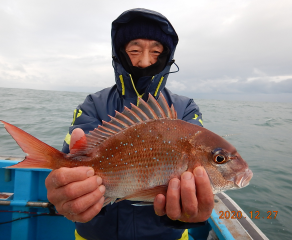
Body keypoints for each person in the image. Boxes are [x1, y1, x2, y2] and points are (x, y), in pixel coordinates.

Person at [45, 8, 214, 240]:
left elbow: (198, 171)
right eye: (134, 50)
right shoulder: (93, 104)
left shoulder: (185, 109)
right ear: (119, 53)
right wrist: (72, 195)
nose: (145, 61)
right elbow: (73, 165)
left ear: (168, 56)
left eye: (156, 51)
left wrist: (188, 214)